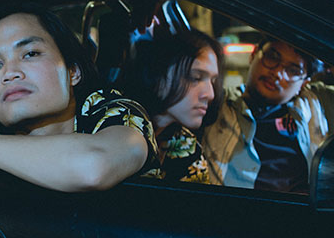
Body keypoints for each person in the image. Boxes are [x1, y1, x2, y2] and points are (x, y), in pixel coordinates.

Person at [0, 3, 158, 192]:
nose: (9, 73)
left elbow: (93, 166)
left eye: (30, 54)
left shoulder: (116, 112)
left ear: (73, 72)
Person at [202, 36, 334, 193]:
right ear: (253, 55)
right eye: (272, 57)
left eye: (293, 70)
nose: (277, 73)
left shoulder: (317, 104)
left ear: (304, 83)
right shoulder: (217, 104)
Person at [121, 29, 223, 183]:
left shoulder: (185, 145)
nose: (210, 94)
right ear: (158, 75)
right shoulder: (117, 118)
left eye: (213, 82)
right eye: (195, 77)